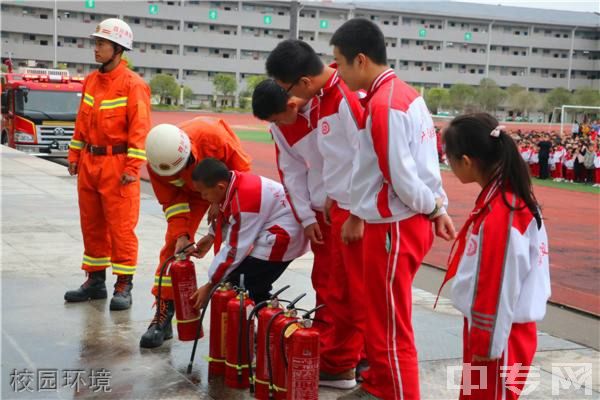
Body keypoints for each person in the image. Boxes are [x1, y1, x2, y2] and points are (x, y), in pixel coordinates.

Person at [330, 18, 456, 400]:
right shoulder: (405, 95)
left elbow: (401, 177)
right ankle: (380, 384)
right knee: (379, 316)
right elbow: (417, 167)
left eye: (339, 62)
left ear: (361, 60)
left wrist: (435, 208)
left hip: (394, 226)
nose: (336, 71)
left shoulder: (385, 105)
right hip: (393, 222)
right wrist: (436, 206)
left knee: (390, 324)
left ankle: (399, 392)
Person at [266, 40, 367, 389]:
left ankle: (345, 360)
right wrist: (308, 219)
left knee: (347, 287)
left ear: (299, 88)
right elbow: (292, 173)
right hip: (327, 211)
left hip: (353, 209)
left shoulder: (340, 98)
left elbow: (363, 156)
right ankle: (342, 354)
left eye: (286, 91)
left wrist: (354, 208)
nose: (283, 121)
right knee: (327, 284)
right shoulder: (290, 120)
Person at [439, 113, 550, 400]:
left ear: (465, 161)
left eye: (449, 160)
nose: (449, 167)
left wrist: (487, 345)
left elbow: (498, 285)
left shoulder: (503, 213)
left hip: (499, 335)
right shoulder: (502, 199)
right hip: (495, 328)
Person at [140, 119, 251, 348]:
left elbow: (243, 174)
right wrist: (182, 234)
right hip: (187, 196)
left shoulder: (212, 136)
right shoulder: (158, 164)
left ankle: (233, 309)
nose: (181, 173)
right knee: (174, 248)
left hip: (220, 187)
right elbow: (172, 202)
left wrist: (220, 201)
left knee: (229, 242)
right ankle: (164, 312)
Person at [65, 18, 151, 311]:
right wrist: (75, 155)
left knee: (121, 227)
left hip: (117, 165)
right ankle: (95, 281)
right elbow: (82, 123)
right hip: (90, 162)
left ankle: (123, 285)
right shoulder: (91, 80)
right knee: (91, 224)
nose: (96, 48)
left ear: (118, 49)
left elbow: (140, 129)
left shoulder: (133, 85)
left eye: (101, 44)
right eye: (97, 43)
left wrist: (131, 168)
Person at [190, 158, 309, 307]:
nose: (203, 198)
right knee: (251, 287)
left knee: (240, 285)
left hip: (283, 238)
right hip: (285, 230)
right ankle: (274, 323)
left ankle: (277, 325)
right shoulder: (235, 182)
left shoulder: (244, 202)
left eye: (204, 193)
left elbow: (235, 249)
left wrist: (211, 284)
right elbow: (230, 215)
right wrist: (212, 235)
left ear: (220, 187)